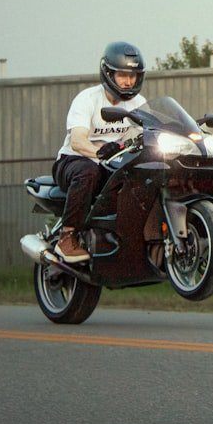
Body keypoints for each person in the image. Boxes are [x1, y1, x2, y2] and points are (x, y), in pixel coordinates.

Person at [52, 41, 146, 262]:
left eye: (133, 75)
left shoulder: (139, 103)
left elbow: (148, 134)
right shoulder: (87, 99)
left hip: (115, 165)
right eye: (123, 74)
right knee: (89, 172)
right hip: (74, 161)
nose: (128, 81)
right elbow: (77, 141)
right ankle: (67, 237)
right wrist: (101, 153)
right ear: (108, 73)